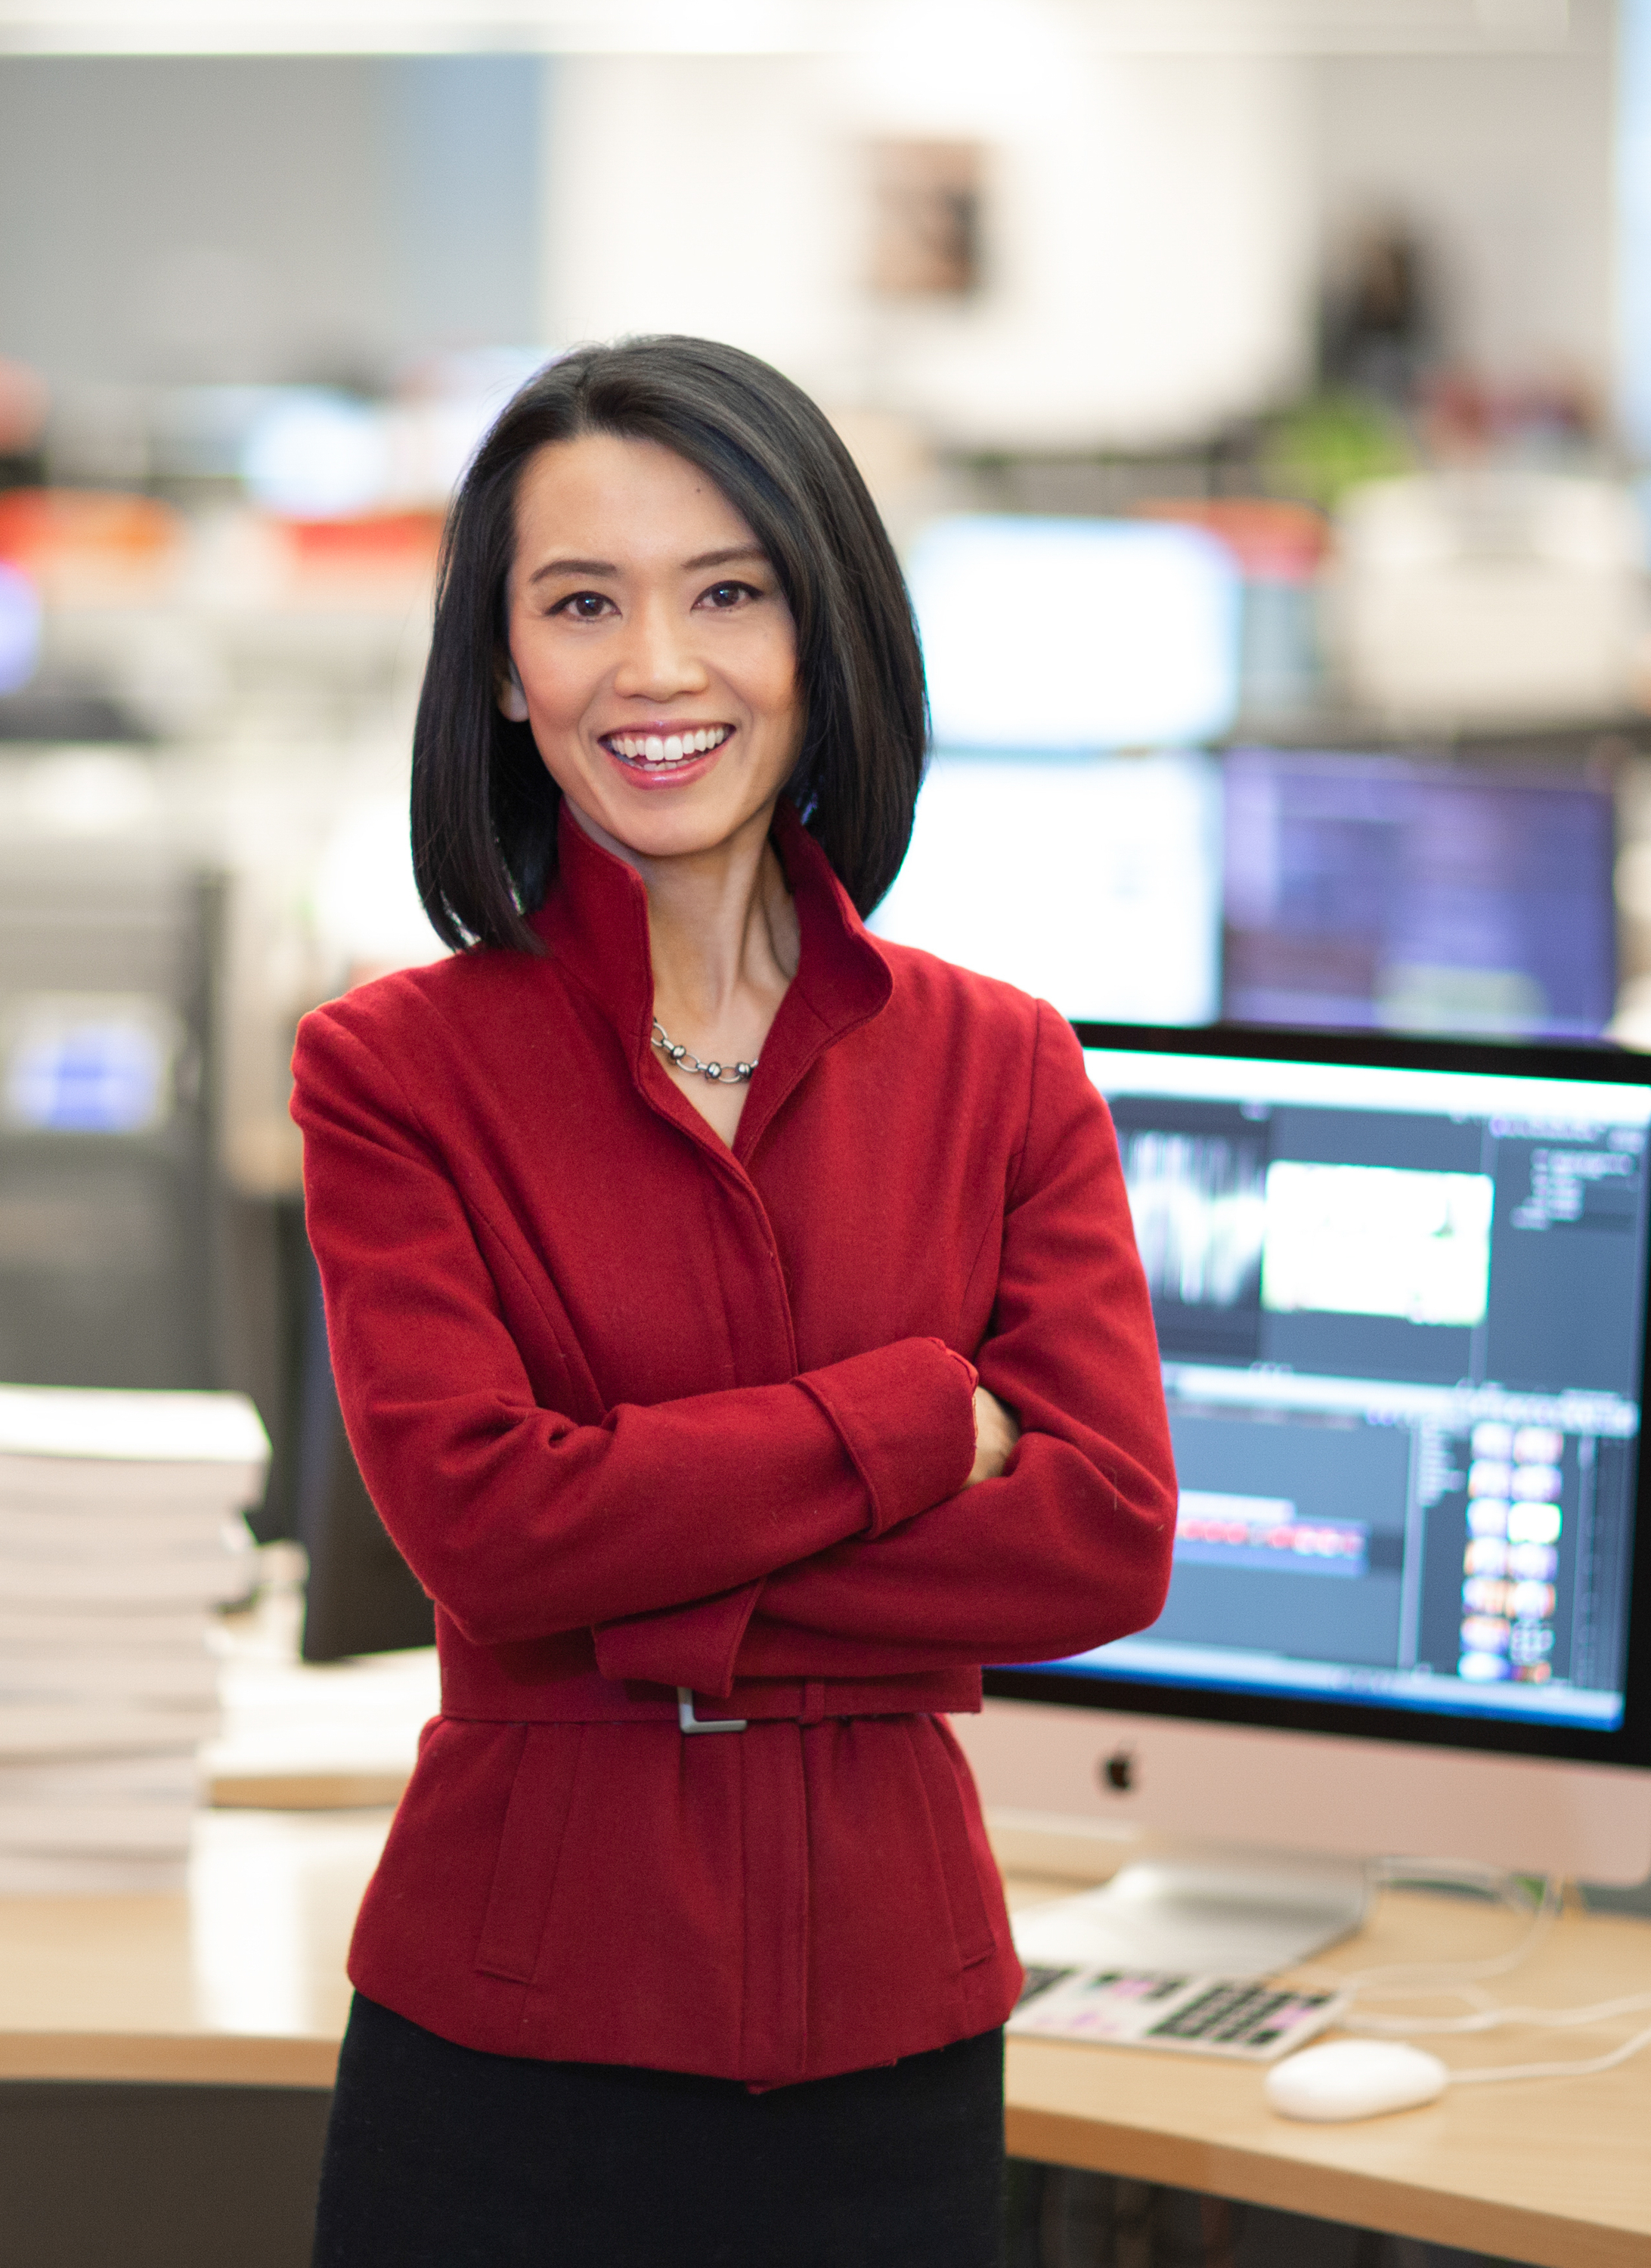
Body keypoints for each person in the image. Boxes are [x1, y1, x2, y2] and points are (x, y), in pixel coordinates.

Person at [294, 336, 1178, 2267]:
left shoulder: (1002, 1066)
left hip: (890, 2042)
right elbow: (485, 1531)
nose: (660, 670)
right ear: (505, 673)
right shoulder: (393, 1073)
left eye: (728, 594)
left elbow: (1102, 1540)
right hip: (509, 2050)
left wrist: (630, 1577)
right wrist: (916, 1427)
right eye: (582, 604)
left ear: (821, 637)